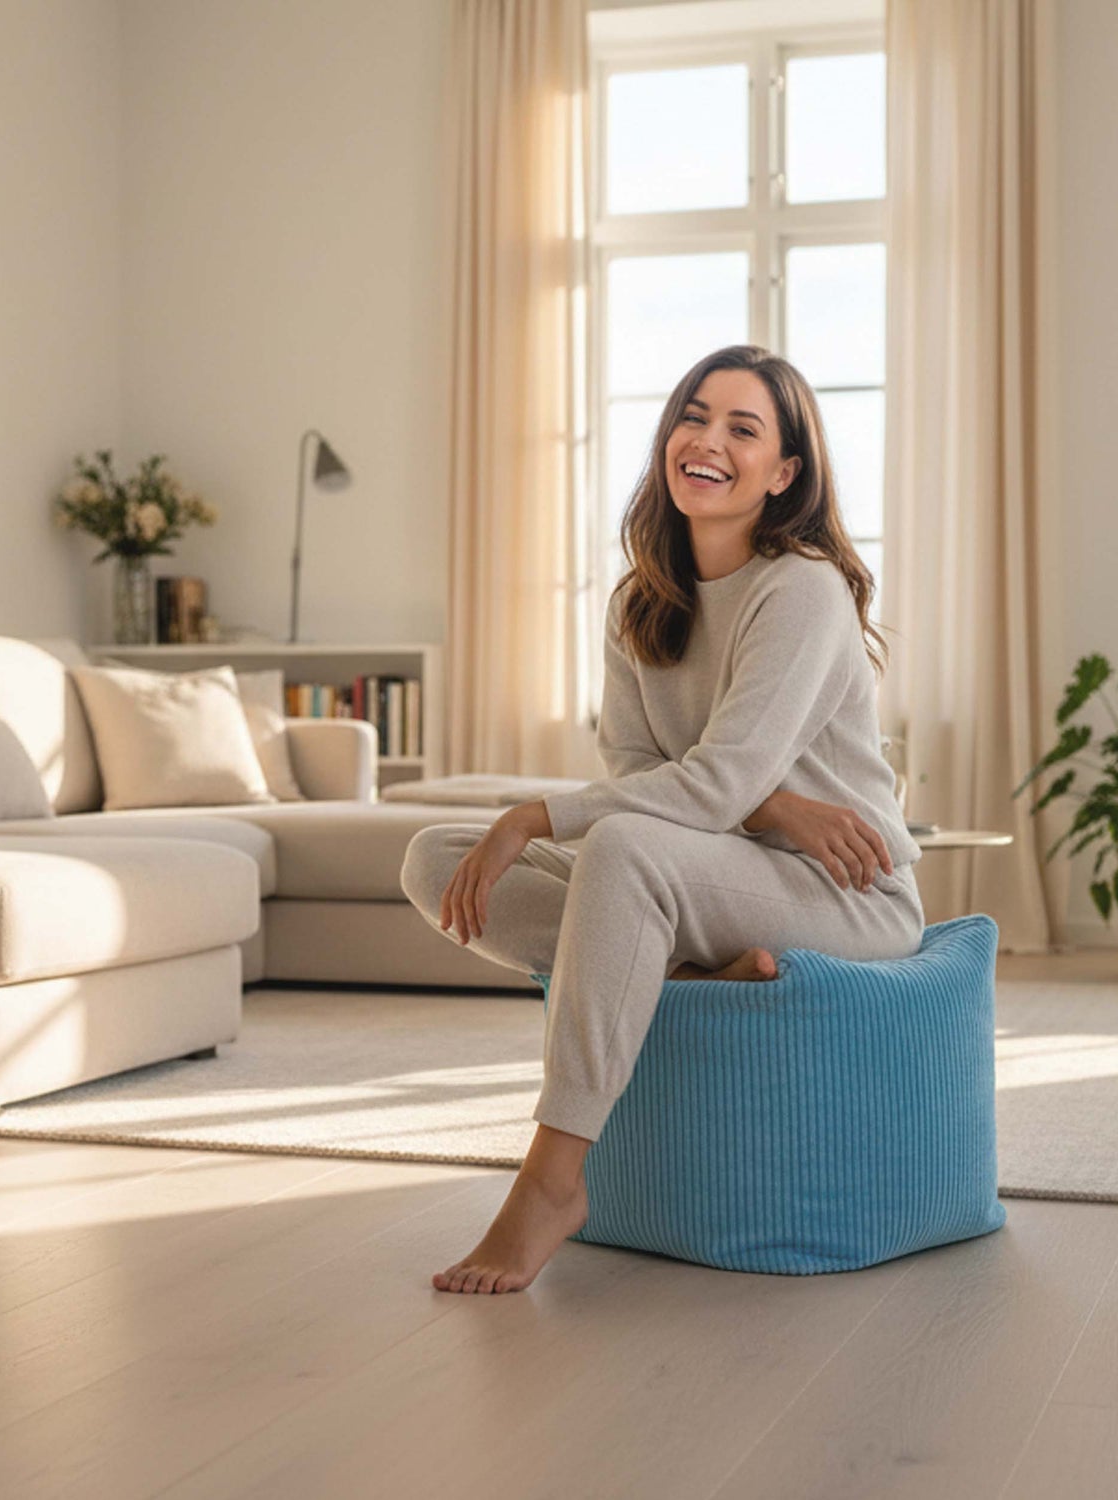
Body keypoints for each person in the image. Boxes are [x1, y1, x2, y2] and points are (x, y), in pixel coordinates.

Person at [400, 344, 925, 1295]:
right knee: (436, 859)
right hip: (717, 872)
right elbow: (652, 775)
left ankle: (554, 1177)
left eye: (743, 427)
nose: (708, 439)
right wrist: (769, 801)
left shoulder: (801, 589)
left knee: (626, 847)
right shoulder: (639, 603)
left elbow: (697, 792)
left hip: (844, 895)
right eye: (695, 414)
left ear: (783, 474)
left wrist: (537, 813)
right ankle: (686, 967)